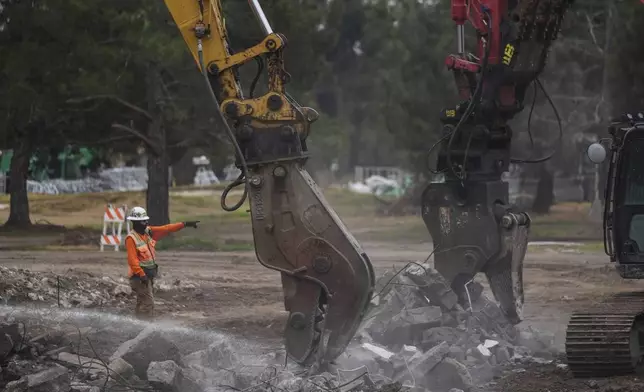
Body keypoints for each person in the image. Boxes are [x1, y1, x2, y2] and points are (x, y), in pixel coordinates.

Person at [125, 206, 199, 320]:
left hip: (146, 276)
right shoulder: (131, 238)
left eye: (146, 220)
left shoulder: (147, 232)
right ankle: (145, 325)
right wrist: (141, 275)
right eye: (143, 221)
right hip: (138, 277)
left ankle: (137, 324)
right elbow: (132, 260)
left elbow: (166, 228)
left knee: (142, 301)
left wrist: (184, 224)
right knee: (148, 303)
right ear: (135, 222)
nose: (146, 223)